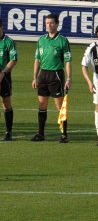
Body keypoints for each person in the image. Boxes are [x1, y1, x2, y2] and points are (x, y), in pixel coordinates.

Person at [32, 14, 72, 142]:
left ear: (57, 24)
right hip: (43, 75)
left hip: (56, 75)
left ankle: (64, 134)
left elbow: (67, 60)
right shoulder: (41, 40)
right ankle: (40, 134)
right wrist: (35, 77)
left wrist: (69, 78)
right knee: (42, 104)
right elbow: (37, 59)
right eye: (47, 23)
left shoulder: (62, 40)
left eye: (51, 23)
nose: (49, 25)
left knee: (59, 106)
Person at [0, 19, 17, 141]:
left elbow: (13, 59)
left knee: (6, 102)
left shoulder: (9, 42)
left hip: (4, 77)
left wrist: (3, 72)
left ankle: (8, 132)